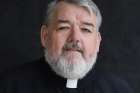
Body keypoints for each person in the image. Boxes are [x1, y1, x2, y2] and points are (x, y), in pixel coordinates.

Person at [0, 0, 134, 93]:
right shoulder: (10, 86)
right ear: (45, 36)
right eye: (64, 27)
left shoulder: (119, 89)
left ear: (97, 42)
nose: (75, 37)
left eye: (86, 29)